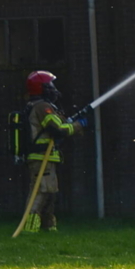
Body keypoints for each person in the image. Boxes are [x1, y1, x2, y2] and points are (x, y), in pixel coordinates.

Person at [22, 71, 86, 234]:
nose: (53, 88)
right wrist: (78, 125)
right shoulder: (42, 107)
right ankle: (30, 228)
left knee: (50, 193)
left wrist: (71, 123)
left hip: (46, 157)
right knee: (41, 191)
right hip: (40, 157)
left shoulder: (40, 105)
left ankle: (48, 227)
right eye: (50, 85)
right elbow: (58, 129)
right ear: (41, 87)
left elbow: (59, 124)